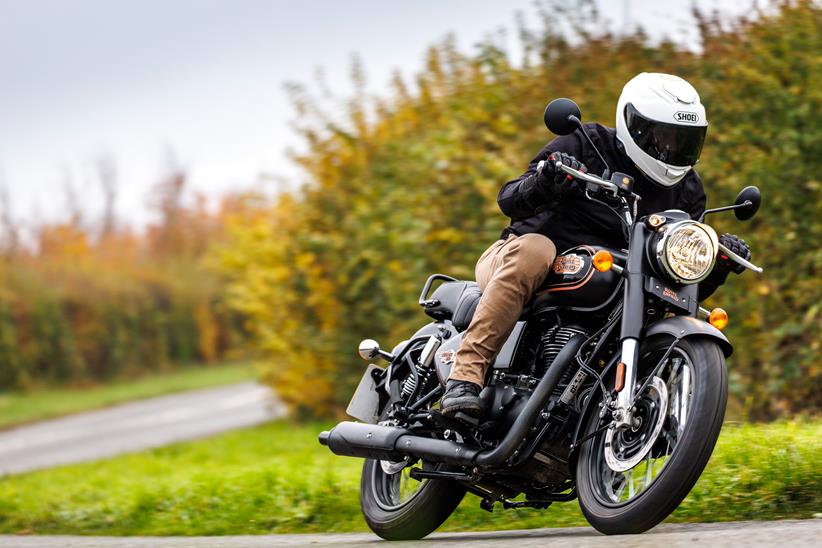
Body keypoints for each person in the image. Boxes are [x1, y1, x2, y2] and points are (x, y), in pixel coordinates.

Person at [441, 72, 752, 417]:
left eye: (684, 140)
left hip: (613, 280)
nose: (671, 148)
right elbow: (508, 200)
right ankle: (465, 377)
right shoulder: (585, 142)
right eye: (662, 137)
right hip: (514, 255)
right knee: (536, 251)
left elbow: (677, 283)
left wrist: (718, 264)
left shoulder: (689, 190)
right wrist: (547, 182)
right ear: (633, 125)